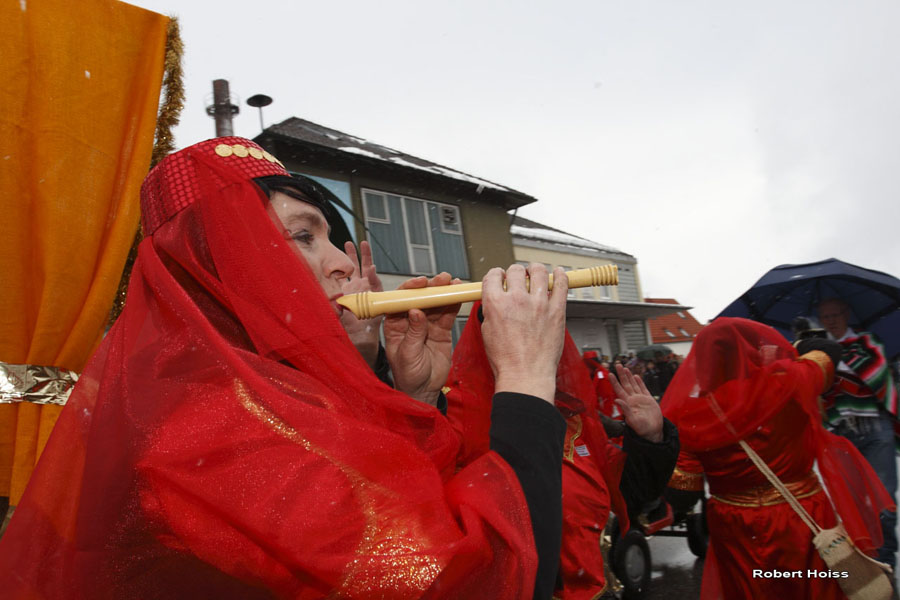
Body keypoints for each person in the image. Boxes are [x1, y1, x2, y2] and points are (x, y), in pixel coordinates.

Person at [0, 137, 571, 599]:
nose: (344, 262)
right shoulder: (209, 437)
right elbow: (472, 582)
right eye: (302, 236)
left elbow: (406, 516)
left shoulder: (265, 400)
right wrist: (526, 374)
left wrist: (415, 396)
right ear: (221, 267)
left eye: (329, 237)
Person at [445, 311, 678, 599]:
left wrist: (651, 439)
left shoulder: (570, 415)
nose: (529, 339)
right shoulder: (451, 413)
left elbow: (627, 493)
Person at [662, 317, 893, 600]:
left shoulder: (689, 415)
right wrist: (796, 346)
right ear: (752, 351)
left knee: (751, 589)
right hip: (801, 512)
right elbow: (828, 350)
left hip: (735, 524)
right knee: (810, 585)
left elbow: (683, 495)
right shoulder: (790, 381)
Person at [817, 297, 899, 569]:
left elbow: (876, 372)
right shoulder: (818, 351)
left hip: (875, 428)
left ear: (847, 313)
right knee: (851, 503)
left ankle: (886, 561)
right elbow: (817, 388)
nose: (831, 321)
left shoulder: (867, 341)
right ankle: (865, 560)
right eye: (825, 316)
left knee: (884, 499)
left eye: (835, 314)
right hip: (840, 433)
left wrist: (831, 361)